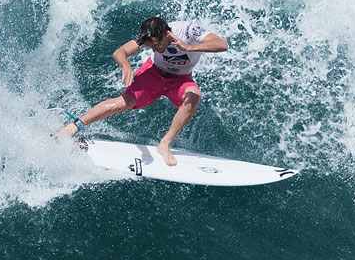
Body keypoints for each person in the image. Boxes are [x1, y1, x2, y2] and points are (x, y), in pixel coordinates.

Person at [59, 16, 228, 166]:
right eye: (150, 47)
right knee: (123, 102)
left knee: (194, 96)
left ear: (167, 35)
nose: (154, 49)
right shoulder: (147, 35)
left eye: (156, 45)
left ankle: (164, 144)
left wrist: (188, 47)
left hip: (180, 79)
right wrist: (125, 64)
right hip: (153, 74)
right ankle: (73, 127)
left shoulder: (188, 30)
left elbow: (222, 44)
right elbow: (120, 52)